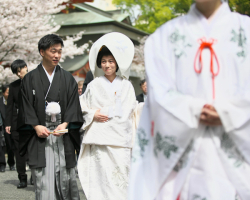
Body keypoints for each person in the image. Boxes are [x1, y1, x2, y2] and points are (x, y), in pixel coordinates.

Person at [128, 0, 250, 199]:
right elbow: (158, 95)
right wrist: (193, 109)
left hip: (238, 162)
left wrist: (229, 112)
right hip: (185, 165)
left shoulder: (246, 31)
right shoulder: (163, 39)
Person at [17, 34, 83, 199]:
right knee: (44, 179)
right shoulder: (30, 79)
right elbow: (25, 106)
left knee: (66, 176)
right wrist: (36, 126)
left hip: (63, 133)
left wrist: (66, 123)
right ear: (42, 51)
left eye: (59, 52)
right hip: (40, 134)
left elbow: (74, 104)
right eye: (53, 51)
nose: (57, 56)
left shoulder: (67, 78)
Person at [78, 32, 141, 200]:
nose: (107, 65)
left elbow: (129, 109)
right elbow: (82, 105)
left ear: (117, 63)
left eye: (111, 61)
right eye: (104, 61)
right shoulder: (93, 85)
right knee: (101, 178)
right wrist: (93, 114)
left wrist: (110, 115)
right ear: (100, 63)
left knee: (120, 177)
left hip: (120, 139)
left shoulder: (127, 85)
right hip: (100, 138)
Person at [5, 59, 30, 188]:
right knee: (19, 152)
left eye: (21, 70)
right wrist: (8, 123)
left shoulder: (35, 81)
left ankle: (35, 175)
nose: (20, 74)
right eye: (17, 73)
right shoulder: (13, 86)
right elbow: (9, 106)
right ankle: (22, 178)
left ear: (26, 67)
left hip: (33, 123)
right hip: (17, 123)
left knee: (33, 150)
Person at [0, 85, 15, 172]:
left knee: (10, 146)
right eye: (8, 92)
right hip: (0, 127)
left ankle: (11, 163)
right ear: (3, 92)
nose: (9, 94)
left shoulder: (14, 101)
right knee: (0, 146)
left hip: (11, 127)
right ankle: (2, 164)